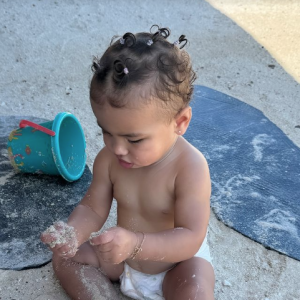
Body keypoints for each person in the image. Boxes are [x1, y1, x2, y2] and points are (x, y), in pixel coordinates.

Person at [41, 25, 215, 300]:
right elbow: (92, 208)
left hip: (175, 266)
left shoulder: (190, 168)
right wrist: (73, 232)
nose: (117, 148)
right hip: (123, 260)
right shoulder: (109, 160)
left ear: (179, 122)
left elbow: (190, 237)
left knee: (196, 290)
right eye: (106, 132)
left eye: (134, 140)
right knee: (66, 260)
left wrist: (136, 244)